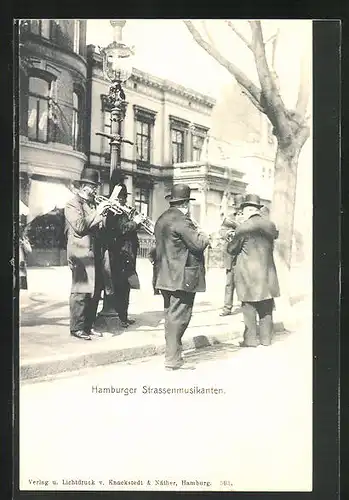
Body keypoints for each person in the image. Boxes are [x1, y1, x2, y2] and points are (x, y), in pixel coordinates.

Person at [154, 183, 210, 370]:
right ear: (185, 203)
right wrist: (204, 234)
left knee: (171, 317)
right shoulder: (183, 221)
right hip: (181, 278)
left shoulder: (162, 219)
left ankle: (172, 356)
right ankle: (172, 359)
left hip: (164, 276)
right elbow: (198, 244)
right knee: (179, 319)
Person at [227, 193, 280, 347]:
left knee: (249, 308)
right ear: (257, 209)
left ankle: (250, 341)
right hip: (268, 274)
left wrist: (230, 238)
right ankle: (266, 340)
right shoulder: (270, 225)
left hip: (248, 275)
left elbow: (232, 249)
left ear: (248, 210)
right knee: (266, 309)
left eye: (243, 210)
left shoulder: (243, 227)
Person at [64, 167, 111, 340]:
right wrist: (98, 213)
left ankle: (88, 326)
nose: (95, 190)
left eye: (95, 186)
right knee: (81, 291)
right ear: (83, 186)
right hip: (80, 254)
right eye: (92, 186)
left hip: (94, 253)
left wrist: (103, 215)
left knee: (94, 291)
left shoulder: (92, 204)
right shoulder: (72, 204)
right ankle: (77, 328)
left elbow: (98, 228)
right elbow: (80, 227)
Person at [110, 184, 144, 328]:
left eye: (124, 197)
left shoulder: (124, 211)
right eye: (120, 197)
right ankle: (119, 317)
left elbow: (132, 227)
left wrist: (138, 221)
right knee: (120, 286)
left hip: (129, 252)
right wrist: (134, 222)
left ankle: (124, 315)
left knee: (127, 286)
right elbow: (122, 229)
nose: (123, 200)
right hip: (120, 253)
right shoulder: (113, 212)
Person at [219, 193, 245, 316]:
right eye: (237, 208)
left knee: (245, 281)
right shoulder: (230, 218)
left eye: (241, 208)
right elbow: (221, 231)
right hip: (231, 256)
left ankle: (246, 306)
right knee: (229, 283)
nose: (239, 210)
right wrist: (229, 233)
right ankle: (227, 308)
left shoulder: (248, 219)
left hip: (244, 255)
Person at [19, 217, 32, 290]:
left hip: (22, 269)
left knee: (22, 290)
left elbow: (29, 251)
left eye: (21, 229)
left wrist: (23, 244)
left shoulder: (24, 240)